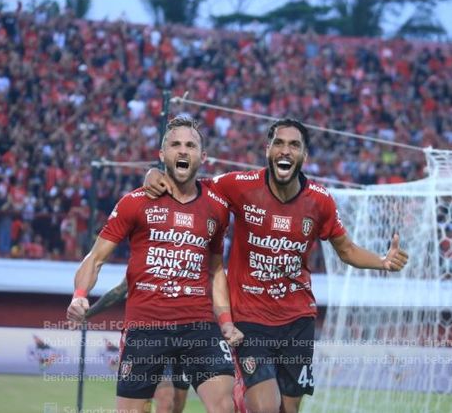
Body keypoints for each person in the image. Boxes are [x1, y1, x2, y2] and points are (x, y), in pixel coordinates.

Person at [144, 118, 409, 413]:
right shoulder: (239, 186)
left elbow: (346, 250)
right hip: (249, 319)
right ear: (268, 150)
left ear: (304, 156)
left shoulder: (320, 202)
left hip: (298, 319)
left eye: (294, 145)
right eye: (278, 143)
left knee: (288, 409)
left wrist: (383, 262)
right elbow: (191, 185)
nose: (285, 150)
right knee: (265, 408)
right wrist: (154, 173)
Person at [67, 117, 243, 413]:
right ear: (162, 155)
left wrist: (225, 322)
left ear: (203, 157)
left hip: (198, 325)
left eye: (191, 145)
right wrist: (80, 295)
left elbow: (215, 270)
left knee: (224, 405)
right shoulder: (135, 202)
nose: (183, 151)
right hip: (146, 327)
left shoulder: (217, 208)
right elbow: (95, 258)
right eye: (175, 144)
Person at [85, 278, 190, 413]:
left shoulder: (195, 260)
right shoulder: (144, 262)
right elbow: (120, 289)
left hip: (185, 336)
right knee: (164, 402)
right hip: (149, 337)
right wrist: (88, 313)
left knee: (176, 405)